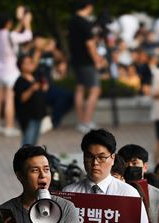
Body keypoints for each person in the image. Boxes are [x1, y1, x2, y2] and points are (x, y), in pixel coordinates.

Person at [0, 9, 33, 137]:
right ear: (8, 23)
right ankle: (9, 127)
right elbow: (28, 36)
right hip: (10, 71)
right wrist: (27, 22)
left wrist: (20, 22)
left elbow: (11, 33)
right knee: (9, 99)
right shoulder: (10, 36)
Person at [68, 0, 105, 133]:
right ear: (88, 6)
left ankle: (81, 121)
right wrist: (97, 60)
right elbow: (90, 44)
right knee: (95, 90)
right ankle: (86, 121)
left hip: (76, 60)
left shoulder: (72, 21)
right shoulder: (84, 23)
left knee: (80, 89)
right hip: (87, 61)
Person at [117, 144, 159, 223]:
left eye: (135, 163)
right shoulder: (113, 191)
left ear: (145, 167)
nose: (129, 167)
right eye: (125, 164)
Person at [14, 55, 48, 146]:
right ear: (21, 66)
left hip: (38, 114)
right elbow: (22, 98)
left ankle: (31, 158)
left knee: (34, 141)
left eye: (31, 62)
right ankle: (24, 158)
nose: (30, 65)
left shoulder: (36, 77)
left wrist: (43, 86)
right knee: (28, 141)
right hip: (28, 116)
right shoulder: (20, 81)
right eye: (27, 63)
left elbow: (43, 91)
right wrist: (31, 89)